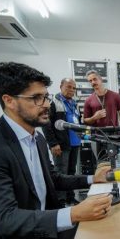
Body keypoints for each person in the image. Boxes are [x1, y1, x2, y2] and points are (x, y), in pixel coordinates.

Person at [0, 62, 113, 239]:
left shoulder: (36, 138)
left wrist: (93, 178)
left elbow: (54, 180)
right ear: (9, 101)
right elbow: (3, 219)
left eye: (45, 96)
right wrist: (73, 213)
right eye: (36, 98)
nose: (46, 104)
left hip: (36, 232)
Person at [42, 78, 81, 206]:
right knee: (61, 174)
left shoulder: (74, 103)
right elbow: (46, 124)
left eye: (74, 88)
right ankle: (60, 201)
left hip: (74, 144)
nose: (71, 90)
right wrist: (53, 143)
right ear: (61, 86)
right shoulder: (53, 102)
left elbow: (77, 122)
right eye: (68, 87)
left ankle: (70, 198)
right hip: (61, 145)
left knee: (71, 173)